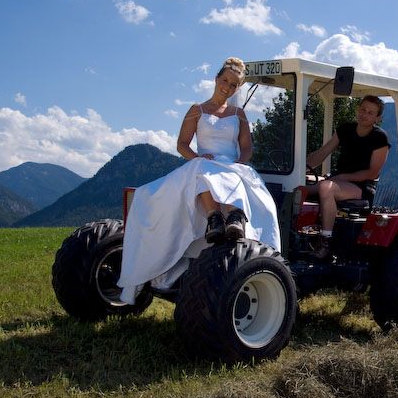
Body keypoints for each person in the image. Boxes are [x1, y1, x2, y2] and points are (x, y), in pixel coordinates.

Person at [117, 57, 281, 304]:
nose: (227, 86)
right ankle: (214, 218)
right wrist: (196, 157)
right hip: (204, 159)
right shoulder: (197, 110)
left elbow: (246, 148)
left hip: (230, 163)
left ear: (237, 89)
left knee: (235, 177)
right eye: (224, 80)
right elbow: (182, 144)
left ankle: (235, 219)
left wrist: (241, 161)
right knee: (203, 171)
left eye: (234, 85)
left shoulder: (239, 114)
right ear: (216, 79)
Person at [305, 95, 390, 260]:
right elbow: (322, 153)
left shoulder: (380, 138)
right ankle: (299, 233)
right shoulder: (345, 130)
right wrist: (301, 169)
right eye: (363, 109)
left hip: (361, 187)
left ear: (377, 118)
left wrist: (343, 177)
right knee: (299, 186)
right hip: (337, 181)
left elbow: (372, 173)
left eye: (370, 113)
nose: (364, 114)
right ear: (358, 109)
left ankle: (325, 242)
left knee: (325, 187)